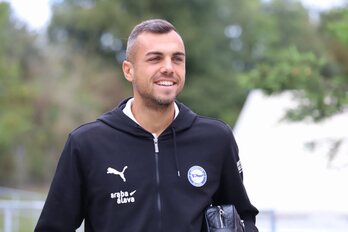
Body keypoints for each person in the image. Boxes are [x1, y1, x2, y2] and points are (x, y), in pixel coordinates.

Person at [35, 19, 259, 232]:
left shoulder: (216, 139)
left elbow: (243, 218)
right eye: (155, 59)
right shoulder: (86, 144)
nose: (169, 67)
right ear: (128, 70)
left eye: (177, 59)